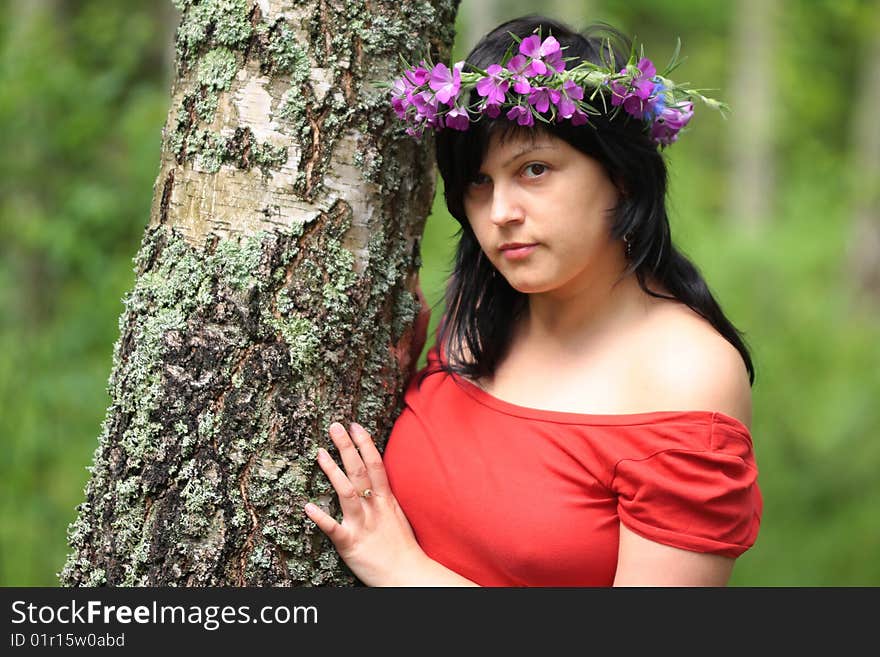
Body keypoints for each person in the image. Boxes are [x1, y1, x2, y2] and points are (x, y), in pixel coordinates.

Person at [303, 15, 762, 586]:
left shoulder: (685, 376)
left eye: (535, 170)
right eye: (479, 182)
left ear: (620, 175)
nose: (500, 214)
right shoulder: (475, 325)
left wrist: (403, 571)